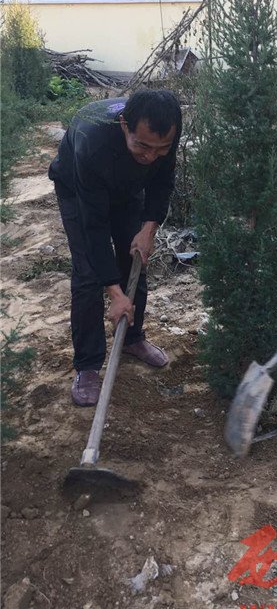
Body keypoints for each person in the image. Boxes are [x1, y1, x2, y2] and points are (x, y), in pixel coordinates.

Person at [49, 89, 182, 406]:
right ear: (124, 125)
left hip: (127, 187)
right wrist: (114, 293)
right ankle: (88, 365)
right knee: (88, 274)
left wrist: (148, 229)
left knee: (134, 258)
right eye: (143, 146)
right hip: (78, 189)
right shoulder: (93, 143)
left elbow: (162, 181)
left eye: (161, 149)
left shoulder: (166, 132)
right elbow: (93, 228)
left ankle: (131, 339)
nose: (151, 156)